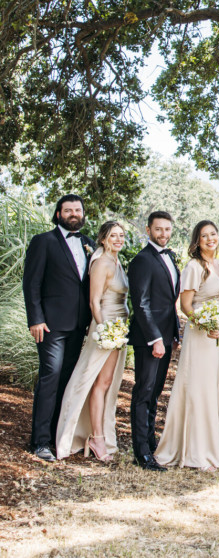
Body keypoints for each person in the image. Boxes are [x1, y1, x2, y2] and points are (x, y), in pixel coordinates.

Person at [23, 195, 95, 462]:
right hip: (50, 325)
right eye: (68, 210)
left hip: (79, 325)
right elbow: (31, 283)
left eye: (78, 210)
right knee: (49, 379)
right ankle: (39, 441)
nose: (74, 214)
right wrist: (35, 319)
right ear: (58, 214)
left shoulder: (89, 244)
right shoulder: (44, 242)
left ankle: (57, 437)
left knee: (66, 381)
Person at [156, 220, 219, 470]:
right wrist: (206, 324)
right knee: (198, 389)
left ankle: (213, 450)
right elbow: (185, 306)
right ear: (196, 241)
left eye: (213, 234)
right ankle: (195, 452)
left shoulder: (218, 265)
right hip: (200, 335)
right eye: (204, 235)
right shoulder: (194, 267)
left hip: (217, 336)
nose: (210, 239)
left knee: (214, 390)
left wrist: (218, 325)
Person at [55, 220, 128, 461]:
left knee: (107, 383)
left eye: (121, 235)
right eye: (113, 235)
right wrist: (104, 331)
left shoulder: (117, 262)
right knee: (95, 382)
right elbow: (94, 301)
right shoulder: (102, 263)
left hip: (118, 329)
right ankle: (96, 438)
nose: (118, 239)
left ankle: (98, 435)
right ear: (103, 239)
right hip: (105, 328)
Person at [127, 211, 181, 471]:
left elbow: (169, 303)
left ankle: (149, 444)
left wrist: (174, 335)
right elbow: (141, 304)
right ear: (148, 230)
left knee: (155, 393)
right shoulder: (142, 260)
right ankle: (141, 453)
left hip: (167, 337)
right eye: (158, 229)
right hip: (150, 339)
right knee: (143, 393)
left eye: (167, 229)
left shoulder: (169, 257)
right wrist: (156, 339)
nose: (163, 234)